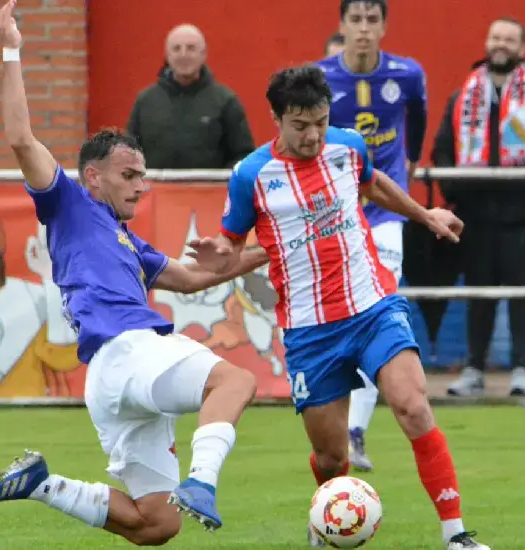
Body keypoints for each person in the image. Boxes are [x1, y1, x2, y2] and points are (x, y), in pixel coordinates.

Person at [0, 2, 268, 546]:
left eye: (143, 176)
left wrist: (271, 247)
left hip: (108, 381)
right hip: (129, 351)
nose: (140, 186)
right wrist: (11, 49)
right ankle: (202, 481)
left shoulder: (129, 241)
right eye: (129, 175)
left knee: (156, 523)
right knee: (236, 380)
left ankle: (41, 484)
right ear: (93, 177)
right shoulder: (69, 204)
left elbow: (191, 278)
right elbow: (20, 138)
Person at [188, 65, 490, 550]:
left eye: (320, 123)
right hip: (311, 331)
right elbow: (230, 249)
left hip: (373, 306)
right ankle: (326, 520)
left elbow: (374, 185)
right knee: (331, 458)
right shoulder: (251, 176)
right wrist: (216, 259)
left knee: (413, 406)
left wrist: (423, 213)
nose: (312, 136)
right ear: (277, 118)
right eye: (300, 125)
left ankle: (456, 535)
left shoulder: (348, 147)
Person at [315, 0, 428, 472]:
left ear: (384, 26)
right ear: (342, 26)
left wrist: (413, 163)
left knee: (378, 308)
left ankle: (356, 431)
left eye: (372, 20)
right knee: (342, 314)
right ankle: (338, 422)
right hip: (335, 211)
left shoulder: (406, 74)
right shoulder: (318, 77)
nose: (363, 29)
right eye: (355, 20)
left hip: (384, 213)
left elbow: (418, 117)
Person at [432, 17, 525, 398]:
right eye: (495, 37)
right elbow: (443, 146)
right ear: (486, 42)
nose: (501, 44)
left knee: (524, 294)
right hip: (474, 214)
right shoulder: (463, 97)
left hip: (523, 216)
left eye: (510, 39)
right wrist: (455, 191)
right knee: (478, 294)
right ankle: (475, 368)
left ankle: (522, 369)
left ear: (522, 48)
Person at [126, 24, 254, 169]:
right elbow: (129, 155)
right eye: (176, 48)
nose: (183, 55)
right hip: (155, 191)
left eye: (191, 48)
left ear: (204, 54)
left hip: (210, 191)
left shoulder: (225, 101)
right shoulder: (145, 101)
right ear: (167, 55)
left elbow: (243, 156)